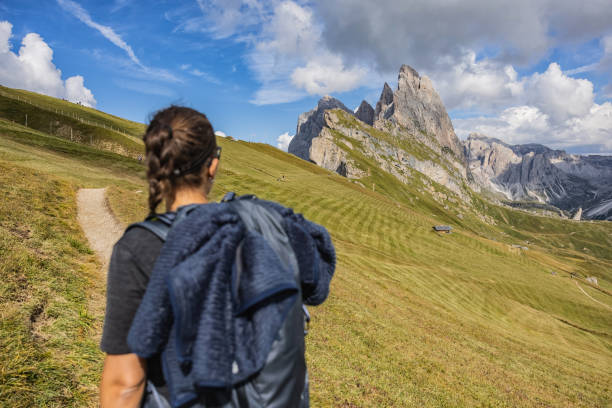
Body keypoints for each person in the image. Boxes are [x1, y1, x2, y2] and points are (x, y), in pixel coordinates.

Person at [99, 106, 335, 407]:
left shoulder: (138, 247)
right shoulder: (260, 226)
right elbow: (318, 280)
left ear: (155, 164)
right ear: (213, 166)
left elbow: (125, 381)